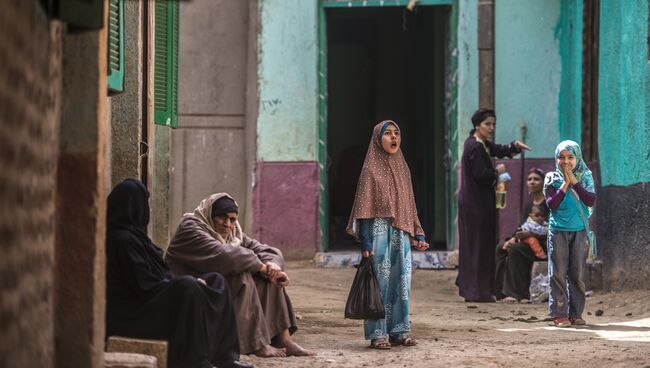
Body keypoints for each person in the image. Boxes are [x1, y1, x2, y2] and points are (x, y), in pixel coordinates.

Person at [105, 179, 252, 368]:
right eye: (144, 203)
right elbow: (142, 283)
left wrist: (186, 282)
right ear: (133, 205)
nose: (147, 209)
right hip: (131, 311)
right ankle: (195, 361)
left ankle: (227, 358)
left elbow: (157, 277)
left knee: (217, 281)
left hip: (149, 297)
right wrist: (182, 283)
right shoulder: (121, 238)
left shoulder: (136, 236)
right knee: (188, 287)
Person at [165, 194, 313, 358]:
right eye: (222, 217)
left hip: (214, 291)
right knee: (242, 272)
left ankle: (283, 340)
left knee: (268, 277)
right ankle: (256, 343)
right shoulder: (191, 228)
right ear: (209, 214)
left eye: (232, 219)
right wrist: (262, 267)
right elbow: (225, 256)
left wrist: (273, 267)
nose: (227, 224)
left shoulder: (232, 234)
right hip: (190, 295)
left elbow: (268, 251)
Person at [347, 120, 429, 350]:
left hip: (401, 233)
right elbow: (363, 209)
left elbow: (410, 204)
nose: (393, 138)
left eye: (397, 133)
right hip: (378, 233)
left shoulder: (403, 168)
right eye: (388, 134)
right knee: (380, 284)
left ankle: (399, 331)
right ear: (377, 138)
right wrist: (365, 242)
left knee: (402, 283)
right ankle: (377, 333)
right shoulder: (370, 169)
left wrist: (418, 234)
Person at [456, 108, 530, 302]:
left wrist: (514, 146)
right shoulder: (474, 147)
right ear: (477, 125)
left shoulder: (481, 144)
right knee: (477, 246)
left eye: (493, 124)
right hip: (475, 206)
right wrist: (497, 171)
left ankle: (479, 290)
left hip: (479, 203)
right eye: (487, 124)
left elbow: (497, 149)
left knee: (480, 245)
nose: (491, 128)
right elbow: (482, 174)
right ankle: (476, 292)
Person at [544, 140, 596, 327]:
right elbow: (552, 204)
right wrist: (565, 183)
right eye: (561, 157)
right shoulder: (551, 178)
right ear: (556, 158)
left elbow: (590, 200)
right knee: (557, 273)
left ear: (577, 158)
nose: (566, 162)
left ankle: (576, 313)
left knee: (577, 273)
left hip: (580, 232)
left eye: (570, 157)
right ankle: (559, 314)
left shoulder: (586, 176)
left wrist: (575, 182)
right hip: (558, 231)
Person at [494, 168, 550, 302]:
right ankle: (499, 291)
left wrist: (530, 234)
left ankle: (518, 293)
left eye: (536, 179)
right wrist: (513, 238)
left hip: (543, 245)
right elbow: (522, 225)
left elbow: (552, 229)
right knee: (501, 248)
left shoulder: (549, 203)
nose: (532, 182)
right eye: (529, 179)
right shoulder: (528, 205)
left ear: (544, 183)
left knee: (516, 250)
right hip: (526, 240)